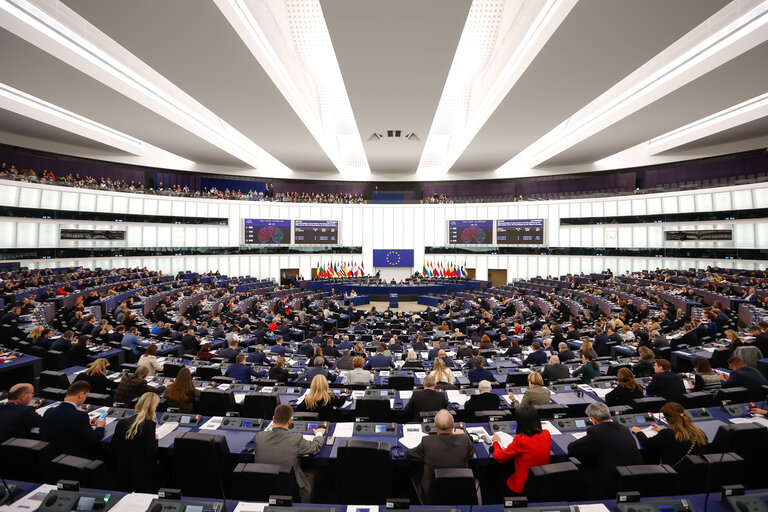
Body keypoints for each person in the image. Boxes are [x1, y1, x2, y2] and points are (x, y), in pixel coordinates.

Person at [253, 403, 325, 502]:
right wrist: (319, 434)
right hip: (292, 491)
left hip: (264, 489)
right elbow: (315, 447)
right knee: (315, 472)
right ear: (290, 421)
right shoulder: (296, 439)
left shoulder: (259, 437)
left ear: (273, 419)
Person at [567, 402, 642, 497]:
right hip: (634, 478)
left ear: (592, 419)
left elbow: (572, 448)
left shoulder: (596, 432)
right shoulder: (624, 428)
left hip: (611, 482)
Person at [406, 409, 475, 498]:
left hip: (431, 492)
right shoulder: (465, 439)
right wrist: (460, 435)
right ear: (453, 425)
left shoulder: (427, 441)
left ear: (435, 426)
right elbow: (471, 452)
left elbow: (409, 454)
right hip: (459, 490)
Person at [492, 405, 551, 493]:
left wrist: (496, 443)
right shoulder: (547, 434)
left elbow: (499, 457)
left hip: (522, 486)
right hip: (541, 483)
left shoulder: (520, 440)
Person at [40, 380, 107, 458]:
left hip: (51, 456)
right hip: (74, 459)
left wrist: (85, 423)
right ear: (81, 395)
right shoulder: (80, 416)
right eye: (86, 396)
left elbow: (64, 425)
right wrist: (100, 426)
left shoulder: (48, 412)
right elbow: (93, 440)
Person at [110, 392, 160, 492]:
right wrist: (155, 440)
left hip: (122, 472)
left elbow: (113, 448)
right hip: (141, 476)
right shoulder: (150, 425)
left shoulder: (122, 422)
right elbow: (150, 453)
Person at [631, 402, 706, 467]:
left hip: (673, 471)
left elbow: (647, 443)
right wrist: (662, 430)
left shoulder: (668, 434)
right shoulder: (700, 433)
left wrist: (639, 432)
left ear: (668, 419)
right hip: (693, 472)